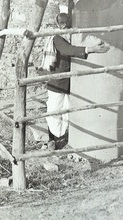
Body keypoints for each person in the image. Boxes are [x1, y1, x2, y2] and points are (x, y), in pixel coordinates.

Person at [35, 13, 110, 150]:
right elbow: (68, 50)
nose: (64, 26)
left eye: (66, 23)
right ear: (58, 24)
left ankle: (60, 138)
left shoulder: (68, 37)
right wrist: (91, 49)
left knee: (65, 111)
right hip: (56, 82)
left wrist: (93, 45)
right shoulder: (57, 38)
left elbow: (74, 48)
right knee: (54, 111)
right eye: (63, 23)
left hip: (66, 82)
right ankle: (53, 139)